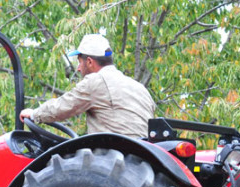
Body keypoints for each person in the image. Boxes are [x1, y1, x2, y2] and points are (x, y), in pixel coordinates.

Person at [19, 34, 155, 138]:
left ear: (89, 61)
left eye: (79, 62)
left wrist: (34, 114)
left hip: (112, 155)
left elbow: (62, 107)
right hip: (143, 157)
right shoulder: (140, 89)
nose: (78, 68)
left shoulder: (97, 81)